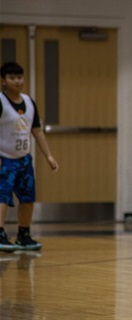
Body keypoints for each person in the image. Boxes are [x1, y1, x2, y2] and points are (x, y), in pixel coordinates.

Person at [0, 61, 59, 252]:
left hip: (24, 159)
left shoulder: (29, 102)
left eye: (19, 77)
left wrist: (48, 155)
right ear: (3, 80)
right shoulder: (0, 101)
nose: (17, 81)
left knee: (28, 197)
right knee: (2, 195)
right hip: (4, 158)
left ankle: (23, 235)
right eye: (12, 77)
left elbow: (37, 131)